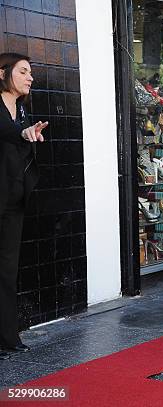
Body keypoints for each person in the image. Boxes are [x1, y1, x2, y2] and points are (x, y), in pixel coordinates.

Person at [0, 53, 47, 360]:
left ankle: (7, 337)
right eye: (23, 72)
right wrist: (21, 132)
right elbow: (5, 132)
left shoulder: (22, 111)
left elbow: (20, 143)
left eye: (31, 72)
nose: (30, 77)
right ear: (3, 73)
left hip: (13, 202)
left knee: (7, 272)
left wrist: (30, 135)